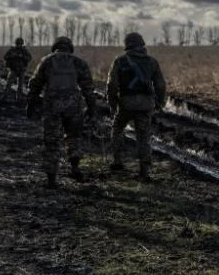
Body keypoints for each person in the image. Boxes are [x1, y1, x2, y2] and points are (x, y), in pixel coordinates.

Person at [26, 36, 96, 189]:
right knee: (74, 137)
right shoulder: (78, 62)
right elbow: (88, 88)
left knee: (52, 141)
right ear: (70, 47)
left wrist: (30, 103)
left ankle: (51, 179)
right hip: (74, 106)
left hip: (52, 106)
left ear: (55, 46)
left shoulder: (47, 61)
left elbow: (35, 84)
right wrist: (92, 107)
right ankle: (75, 168)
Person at [107, 32, 167, 182]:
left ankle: (117, 160)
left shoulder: (120, 61)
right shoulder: (152, 62)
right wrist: (160, 102)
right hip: (146, 105)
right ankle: (144, 171)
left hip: (126, 104)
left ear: (127, 45)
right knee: (144, 137)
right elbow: (160, 85)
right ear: (142, 44)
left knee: (117, 129)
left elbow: (111, 85)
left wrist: (113, 104)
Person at [3, 37, 32, 102]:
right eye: (18, 43)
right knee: (9, 83)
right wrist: (12, 56)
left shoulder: (24, 50)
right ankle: (5, 96)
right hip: (13, 69)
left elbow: (29, 58)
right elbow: (5, 57)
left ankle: (19, 97)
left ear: (22, 44)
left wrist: (22, 57)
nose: (19, 45)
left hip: (21, 70)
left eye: (20, 44)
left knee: (20, 85)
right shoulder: (12, 50)